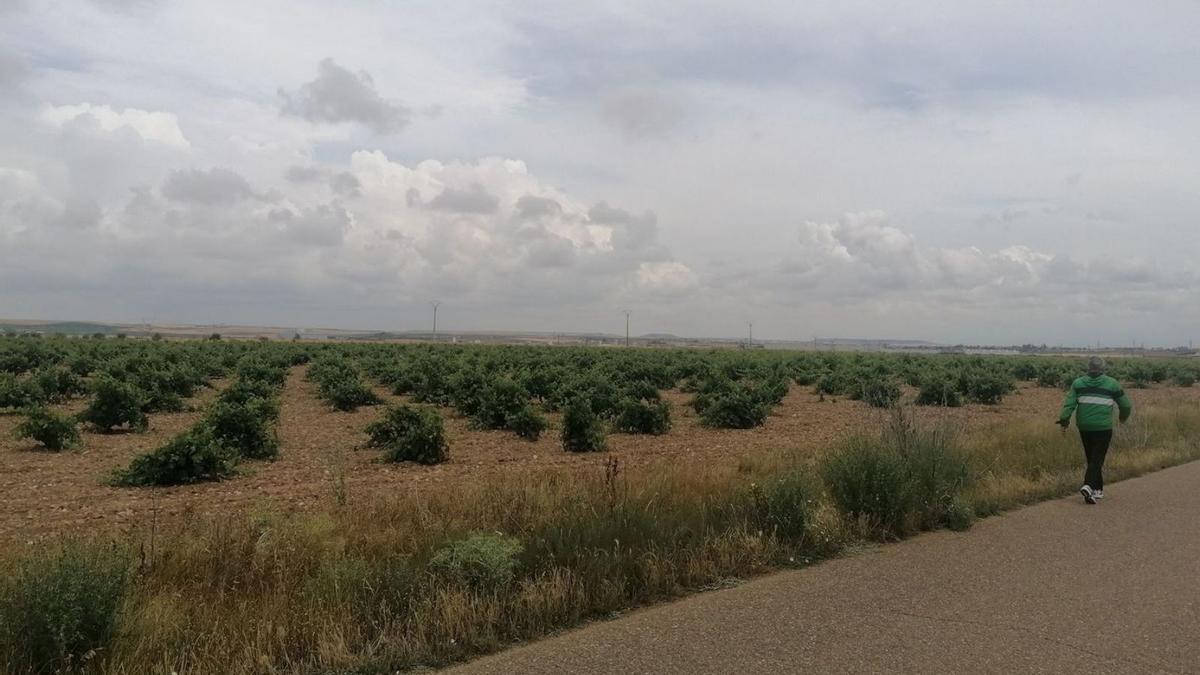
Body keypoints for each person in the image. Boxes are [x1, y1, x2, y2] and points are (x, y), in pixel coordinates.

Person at [1057, 356, 1133, 504]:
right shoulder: (1112, 384)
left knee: (1091, 457)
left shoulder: (1078, 383)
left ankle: (1097, 490)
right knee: (1097, 458)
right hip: (1103, 427)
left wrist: (1064, 421)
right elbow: (1126, 405)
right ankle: (1088, 485)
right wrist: (1123, 418)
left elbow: (1069, 405)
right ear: (1102, 368)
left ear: (1088, 367)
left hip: (1084, 426)